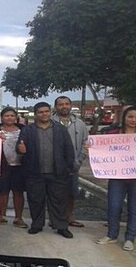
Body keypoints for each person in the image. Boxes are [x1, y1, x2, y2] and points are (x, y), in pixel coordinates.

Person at [17, 101, 75, 239]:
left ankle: (61, 226)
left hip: (57, 173)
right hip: (34, 173)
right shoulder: (27, 130)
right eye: (41, 112)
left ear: (51, 112)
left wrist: (68, 167)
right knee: (36, 201)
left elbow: (69, 150)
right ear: (36, 114)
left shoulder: (60, 129)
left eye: (46, 111)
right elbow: (19, 149)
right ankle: (37, 225)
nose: (44, 114)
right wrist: (21, 150)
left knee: (59, 201)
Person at [95, 106, 136, 251]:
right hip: (117, 178)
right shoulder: (113, 134)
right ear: (124, 117)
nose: (133, 120)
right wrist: (92, 148)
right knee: (114, 206)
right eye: (130, 116)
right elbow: (101, 150)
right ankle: (111, 235)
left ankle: (130, 238)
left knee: (134, 209)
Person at [51, 96, 89, 228]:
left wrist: (79, 160)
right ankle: (55, 218)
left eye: (66, 104)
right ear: (56, 107)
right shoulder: (50, 122)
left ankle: (69, 217)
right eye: (60, 104)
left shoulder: (80, 123)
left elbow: (86, 142)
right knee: (54, 194)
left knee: (71, 193)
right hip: (53, 166)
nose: (64, 106)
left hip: (73, 165)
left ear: (71, 105)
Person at [0, 107, 27, 228]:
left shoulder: (24, 130)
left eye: (12, 115)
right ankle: (2, 216)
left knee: (18, 192)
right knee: (3, 191)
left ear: (16, 117)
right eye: (6, 116)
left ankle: (19, 218)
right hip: (2, 166)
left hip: (20, 166)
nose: (9, 118)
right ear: (2, 117)